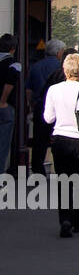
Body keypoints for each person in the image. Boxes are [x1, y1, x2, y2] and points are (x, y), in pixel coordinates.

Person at [42, 52, 79, 237]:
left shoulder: (54, 90)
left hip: (61, 139)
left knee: (64, 181)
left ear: (65, 70)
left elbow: (48, 117)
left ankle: (65, 219)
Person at [25, 39, 64, 175]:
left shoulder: (36, 66)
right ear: (59, 52)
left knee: (39, 142)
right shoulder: (61, 67)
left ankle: (38, 172)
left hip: (40, 106)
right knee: (58, 139)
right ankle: (60, 170)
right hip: (58, 108)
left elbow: (28, 90)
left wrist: (31, 105)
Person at [0, 33, 19, 176]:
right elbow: (10, 82)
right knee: (3, 143)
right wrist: (3, 101)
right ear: (13, 48)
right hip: (5, 107)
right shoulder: (13, 63)